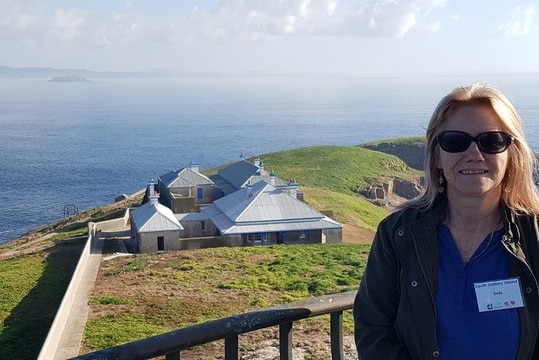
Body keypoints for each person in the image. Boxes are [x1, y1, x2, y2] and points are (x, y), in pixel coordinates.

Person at [354, 83, 539, 359]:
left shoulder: (534, 235)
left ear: (511, 154)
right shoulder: (397, 234)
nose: (475, 154)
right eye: (455, 141)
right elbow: (373, 330)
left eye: (492, 141)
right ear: (437, 156)